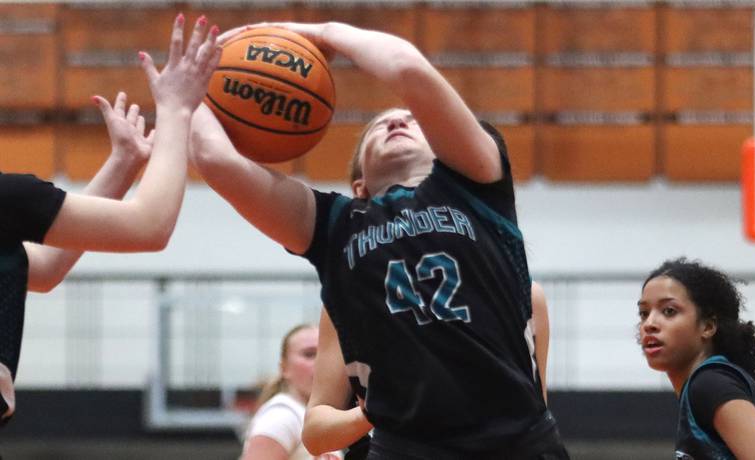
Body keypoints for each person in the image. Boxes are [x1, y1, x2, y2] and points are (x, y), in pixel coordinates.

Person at [191, 21, 568, 459]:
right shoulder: (335, 226)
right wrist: (191, 88)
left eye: (409, 119)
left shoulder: (477, 183)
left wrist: (324, 34)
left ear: (444, 148)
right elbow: (215, 160)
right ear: (359, 186)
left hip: (514, 445)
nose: (396, 121)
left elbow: (407, 68)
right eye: (378, 126)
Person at [0, 13, 221, 426]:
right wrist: (175, 110)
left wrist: (123, 165)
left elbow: (43, 269)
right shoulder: (8, 198)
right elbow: (150, 226)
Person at [302, 281, 552, 458]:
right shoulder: (350, 295)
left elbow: (538, 426)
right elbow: (314, 434)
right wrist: (369, 414)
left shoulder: (524, 295)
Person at [638, 257, 755, 459]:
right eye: (644, 313)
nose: (649, 323)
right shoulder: (708, 384)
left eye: (669, 311)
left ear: (707, 326)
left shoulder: (709, 384)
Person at [241, 324, 342, 460]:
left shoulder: (319, 416)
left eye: (326, 353)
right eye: (309, 354)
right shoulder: (282, 415)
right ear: (284, 368)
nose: (320, 362)